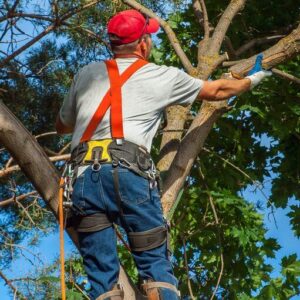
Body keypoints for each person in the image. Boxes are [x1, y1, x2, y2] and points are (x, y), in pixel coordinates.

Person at [56, 9, 271, 300]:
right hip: (128, 174)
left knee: (102, 283)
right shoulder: (162, 75)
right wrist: (253, 79)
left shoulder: (86, 74)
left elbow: (63, 125)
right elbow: (218, 90)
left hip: (82, 183)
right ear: (143, 44)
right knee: (156, 271)